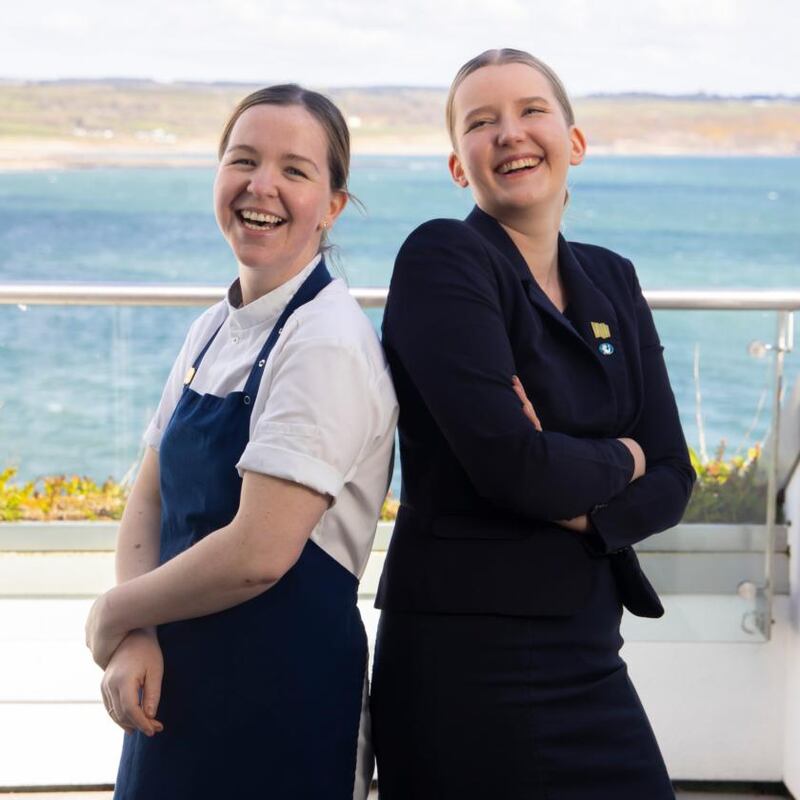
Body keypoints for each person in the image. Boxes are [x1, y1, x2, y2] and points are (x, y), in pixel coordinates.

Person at [370, 49, 695, 800]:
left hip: (587, 644)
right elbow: (517, 469)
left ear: (573, 143)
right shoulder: (443, 258)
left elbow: (678, 473)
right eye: (481, 123)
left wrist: (577, 488)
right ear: (460, 167)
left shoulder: (611, 275)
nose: (509, 133)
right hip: (467, 658)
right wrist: (624, 454)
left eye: (530, 111)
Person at [85, 84, 397, 800]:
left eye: (295, 170)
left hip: (282, 701)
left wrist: (114, 613)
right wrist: (137, 637)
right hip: (172, 690)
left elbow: (259, 554)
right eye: (243, 160)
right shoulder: (212, 328)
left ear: (333, 205)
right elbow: (151, 496)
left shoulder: (325, 340)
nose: (262, 186)